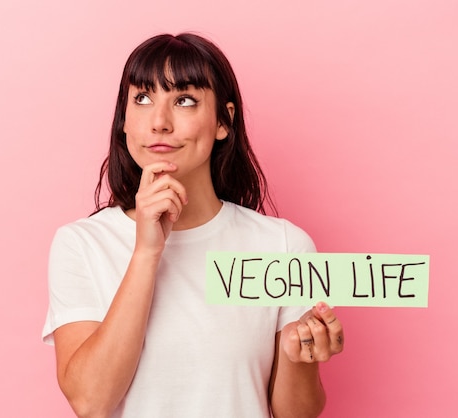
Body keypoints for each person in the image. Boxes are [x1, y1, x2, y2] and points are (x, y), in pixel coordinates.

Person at [42, 32, 344, 418]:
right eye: (142, 98)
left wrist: (297, 357)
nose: (159, 122)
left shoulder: (283, 246)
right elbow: (90, 402)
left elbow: (296, 414)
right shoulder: (81, 245)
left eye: (184, 100)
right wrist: (147, 252)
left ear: (223, 121)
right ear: (123, 121)